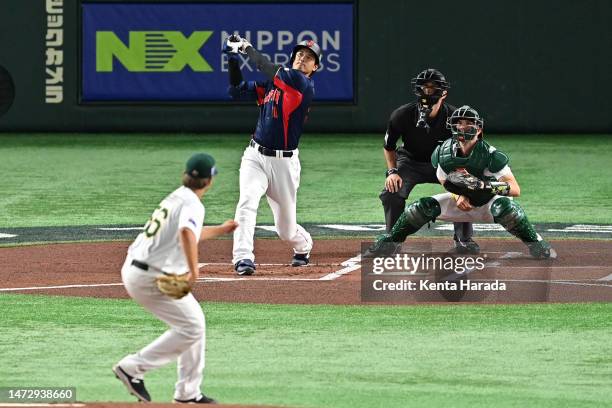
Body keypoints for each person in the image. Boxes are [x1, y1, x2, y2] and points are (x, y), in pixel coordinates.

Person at [112, 153, 238, 404]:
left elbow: (190, 231)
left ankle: (188, 393)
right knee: (192, 327)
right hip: (149, 277)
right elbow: (185, 233)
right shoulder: (192, 204)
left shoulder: (178, 196)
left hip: (137, 269)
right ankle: (132, 367)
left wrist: (221, 230)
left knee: (194, 325)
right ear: (209, 181)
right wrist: (194, 271)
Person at [370, 105, 555, 259]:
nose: (462, 127)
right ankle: (390, 242)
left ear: (479, 129)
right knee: (420, 207)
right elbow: (444, 179)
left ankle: (535, 243)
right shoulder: (443, 153)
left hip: (488, 202)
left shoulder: (490, 155)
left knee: (508, 210)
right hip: (461, 203)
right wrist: (457, 195)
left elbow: (515, 189)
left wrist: (483, 185)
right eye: (458, 123)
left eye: (468, 124)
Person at [223, 34, 319, 275]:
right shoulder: (275, 84)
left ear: (314, 67)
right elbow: (236, 91)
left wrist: (246, 48)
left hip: (284, 165)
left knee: (285, 230)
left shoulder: (302, 85)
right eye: (300, 55)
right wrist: (233, 60)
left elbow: (266, 67)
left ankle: (303, 245)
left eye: (309, 58)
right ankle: (243, 257)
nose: (302, 59)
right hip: (254, 156)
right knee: (247, 202)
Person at [380, 68, 479, 254]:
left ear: (444, 93)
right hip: (410, 162)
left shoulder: (455, 118)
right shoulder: (402, 115)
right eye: (425, 88)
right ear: (418, 90)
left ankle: (464, 239)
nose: (428, 92)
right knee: (390, 192)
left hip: (445, 163)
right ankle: (393, 239)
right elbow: (389, 146)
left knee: (467, 187)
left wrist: (462, 177)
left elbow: (466, 150)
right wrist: (392, 172)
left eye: (433, 88)